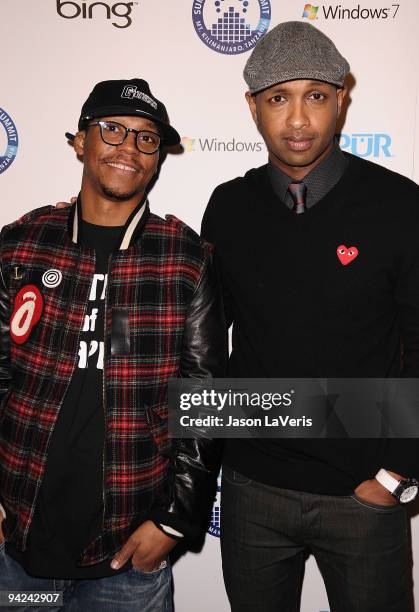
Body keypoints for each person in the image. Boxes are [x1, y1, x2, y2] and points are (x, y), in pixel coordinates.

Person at [201, 21, 419, 612]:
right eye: (278, 98)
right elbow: (201, 339)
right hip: (251, 491)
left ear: (342, 99)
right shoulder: (227, 206)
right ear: (252, 107)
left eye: (316, 96)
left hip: (363, 495)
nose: (298, 121)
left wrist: (396, 477)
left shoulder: (401, 207)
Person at [0, 78, 226, 611]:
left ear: (158, 158)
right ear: (81, 142)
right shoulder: (21, 244)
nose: (129, 147)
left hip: (128, 555)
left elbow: (204, 397)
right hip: (18, 547)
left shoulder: (186, 257)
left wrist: (175, 519)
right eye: (112, 130)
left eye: (146, 137)